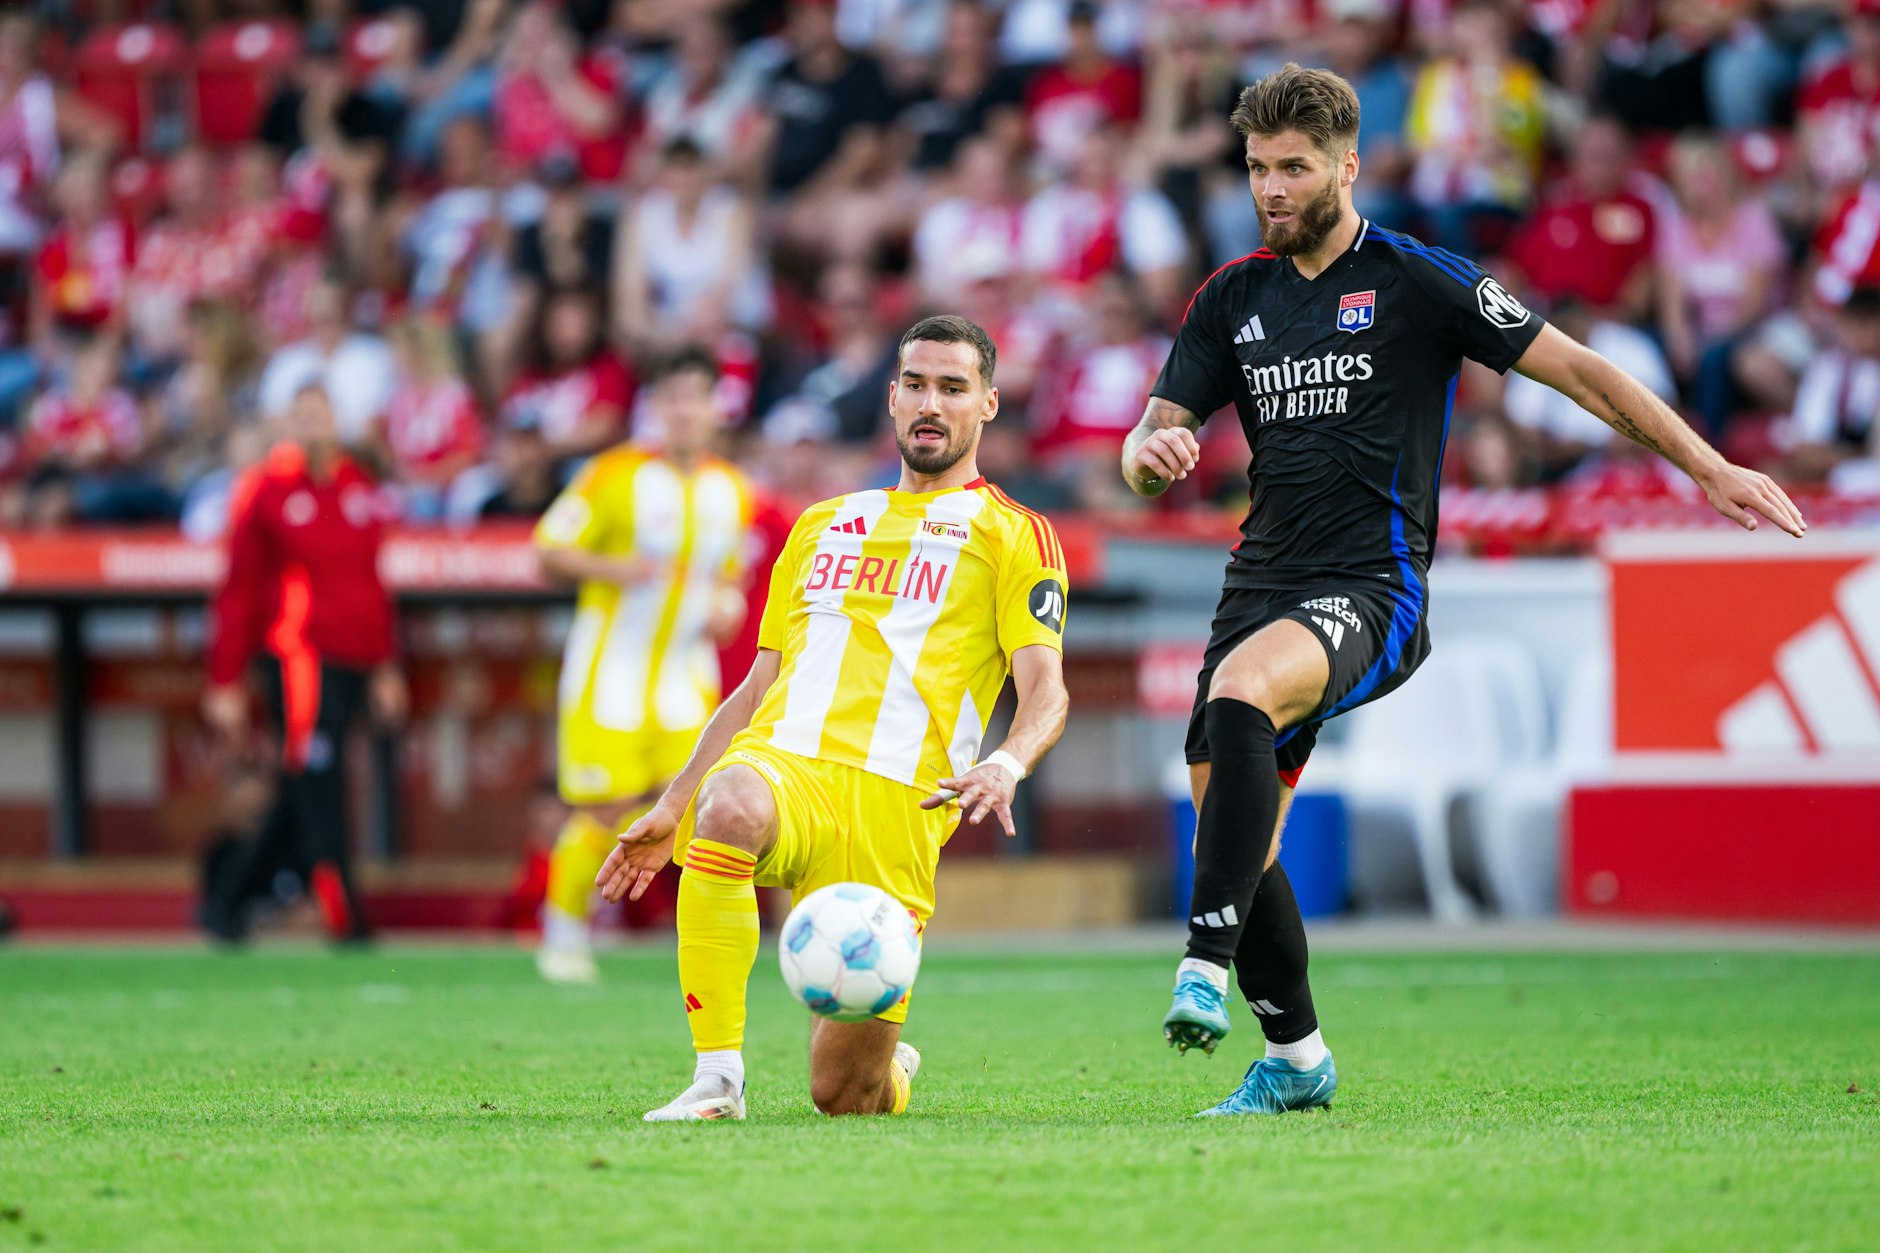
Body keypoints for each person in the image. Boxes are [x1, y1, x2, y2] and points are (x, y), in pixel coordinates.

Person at [1122, 64, 1805, 1117]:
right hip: (1254, 585)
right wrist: (1150, 451)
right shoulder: (1231, 298)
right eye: (1257, 168)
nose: (1270, 188)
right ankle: (1296, 1058)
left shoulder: (1416, 279)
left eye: (1292, 168)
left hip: (1372, 586)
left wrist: (1704, 464)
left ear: (1346, 165)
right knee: (1237, 835)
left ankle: (1198, 965)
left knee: (1237, 698)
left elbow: (1579, 371)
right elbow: (1148, 433)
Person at [597, 315, 1071, 1120]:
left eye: (954, 388)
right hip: (789, 770)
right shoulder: (822, 524)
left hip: (899, 814)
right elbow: (755, 687)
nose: (932, 402)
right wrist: (675, 804)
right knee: (730, 803)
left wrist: (1007, 761)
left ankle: (890, 1063)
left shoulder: (1015, 534)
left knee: (844, 1096)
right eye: (916, 384)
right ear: (889, 398)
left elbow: (1047, 691)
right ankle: (718, 1078)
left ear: (988, 404)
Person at [531, 346, 756, 983]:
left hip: (687, 681)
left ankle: (707, 946)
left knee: (700, 811)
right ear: (656, 407)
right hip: (611, 677)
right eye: (673, 398)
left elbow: (730, 577)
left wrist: (729, 608)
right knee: (606, 815)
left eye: (697, 397)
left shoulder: (732, 490)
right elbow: (548, 549)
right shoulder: (613, 475)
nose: (685, 411)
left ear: (717, 408)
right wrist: (615, 569)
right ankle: (564, 935)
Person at [201, 384, 408, 943]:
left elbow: (372, 582)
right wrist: (225, 677)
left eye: (323, 412)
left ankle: (228, 898)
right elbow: (238, 588)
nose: (315, 423)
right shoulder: (266, 489)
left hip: (355, 658)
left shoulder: (358, 486)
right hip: (300, 656)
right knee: (318, 777)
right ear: (289, 421)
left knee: (308, 780)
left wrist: (387, 665)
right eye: (304, 414)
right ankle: (341, 908)